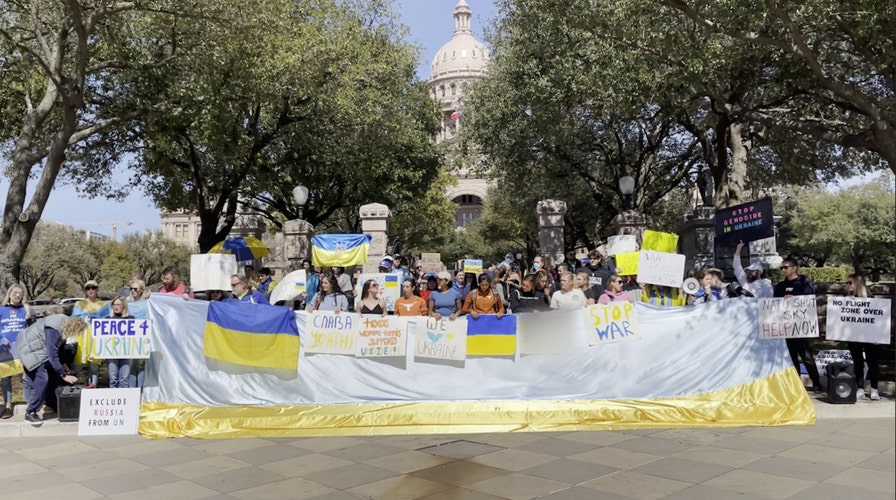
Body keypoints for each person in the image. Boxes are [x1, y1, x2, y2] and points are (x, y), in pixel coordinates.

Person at [17, 315, 84, 425]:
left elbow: (59, 348)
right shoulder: (54, 328)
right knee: (41, 380)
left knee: (54, 376)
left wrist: (64, 366)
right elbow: (52, 354)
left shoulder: (63, 325)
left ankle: (53, 405)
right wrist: (64, 375)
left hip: (39, 350)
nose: (75, 335)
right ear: (72, 327)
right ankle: (30, 412)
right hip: (30, 351)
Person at [774, 258, 823, 394]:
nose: (783, 270)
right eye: (781, 268)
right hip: (786, 326)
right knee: (791, 358)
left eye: (786, 267)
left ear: (794, 268)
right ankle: (796, 385)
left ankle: (816, 383)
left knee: (806, 356)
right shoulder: (780, 286)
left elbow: (809, 301)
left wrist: (794, 299)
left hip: (800, 327)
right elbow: (774, 303)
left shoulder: (804, 284)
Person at [844, 275, 882, 400]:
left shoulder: (871, 299)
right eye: (847, 283)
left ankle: (874, 389)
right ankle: (860, 388)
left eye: (850, 282)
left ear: (858, 284)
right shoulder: (846, 299)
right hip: (854, 336)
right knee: (858, 362)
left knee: (872, 362)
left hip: (870, 336)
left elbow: (878, 319)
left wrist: (878, 336)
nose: (848, 285)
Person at [1, 283, 35, 419]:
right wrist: (1, 339)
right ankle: (8, 406)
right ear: (9, 294)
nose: (17, 295)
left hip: (23, 347)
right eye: (15, 292)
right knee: (5, 378)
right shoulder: (2, 310)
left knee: (26, 377)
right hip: (5, 349)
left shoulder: (27, 310)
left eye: (20, 293)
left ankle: (30, 406)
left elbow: (33, 329)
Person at [105, 297, 134, 389]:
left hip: (126, 353)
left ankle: (124, 398)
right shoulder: (107, 320)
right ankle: (113, 397)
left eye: (119, 304)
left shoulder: (130, 319)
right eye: (114, 305)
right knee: (113, 379)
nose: (116, 307)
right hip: (111, 353)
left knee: (124, 379)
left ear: (124, 306)